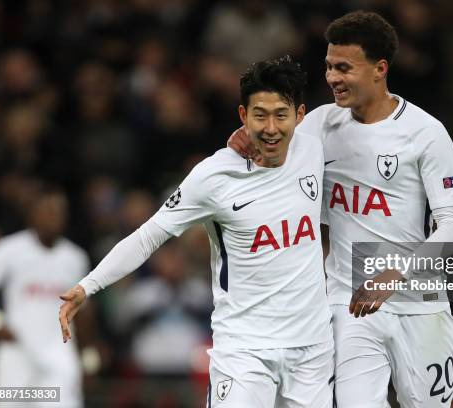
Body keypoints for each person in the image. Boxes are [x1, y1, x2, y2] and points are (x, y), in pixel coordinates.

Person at [59, 56, 335, 408]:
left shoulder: (314, 148)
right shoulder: (214, 176)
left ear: (299, 115)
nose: (270, 128)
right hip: (244, 350)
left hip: (311, 350)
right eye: (259, 115)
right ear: (242, 115)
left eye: (281, 114)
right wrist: (88, 285)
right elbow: (149, 236)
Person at [229, 11, 453, 408]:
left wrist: (397, 272)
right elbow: (269, 158)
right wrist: (246, 141)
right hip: (349, 299)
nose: (333, 78)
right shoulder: (319, 125)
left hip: (420, 301)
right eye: (328, 67)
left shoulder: (425, 133)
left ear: (380, 69)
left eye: (344, 68)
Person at [0, 187, 91, 408]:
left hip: (58, 353)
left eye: (58, 212)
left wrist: (86, 355)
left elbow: (84, 311)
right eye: (47, 211)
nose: (53, 218)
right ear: (33, 214)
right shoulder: (9, 250)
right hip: (16, 352)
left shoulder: (75, 258)